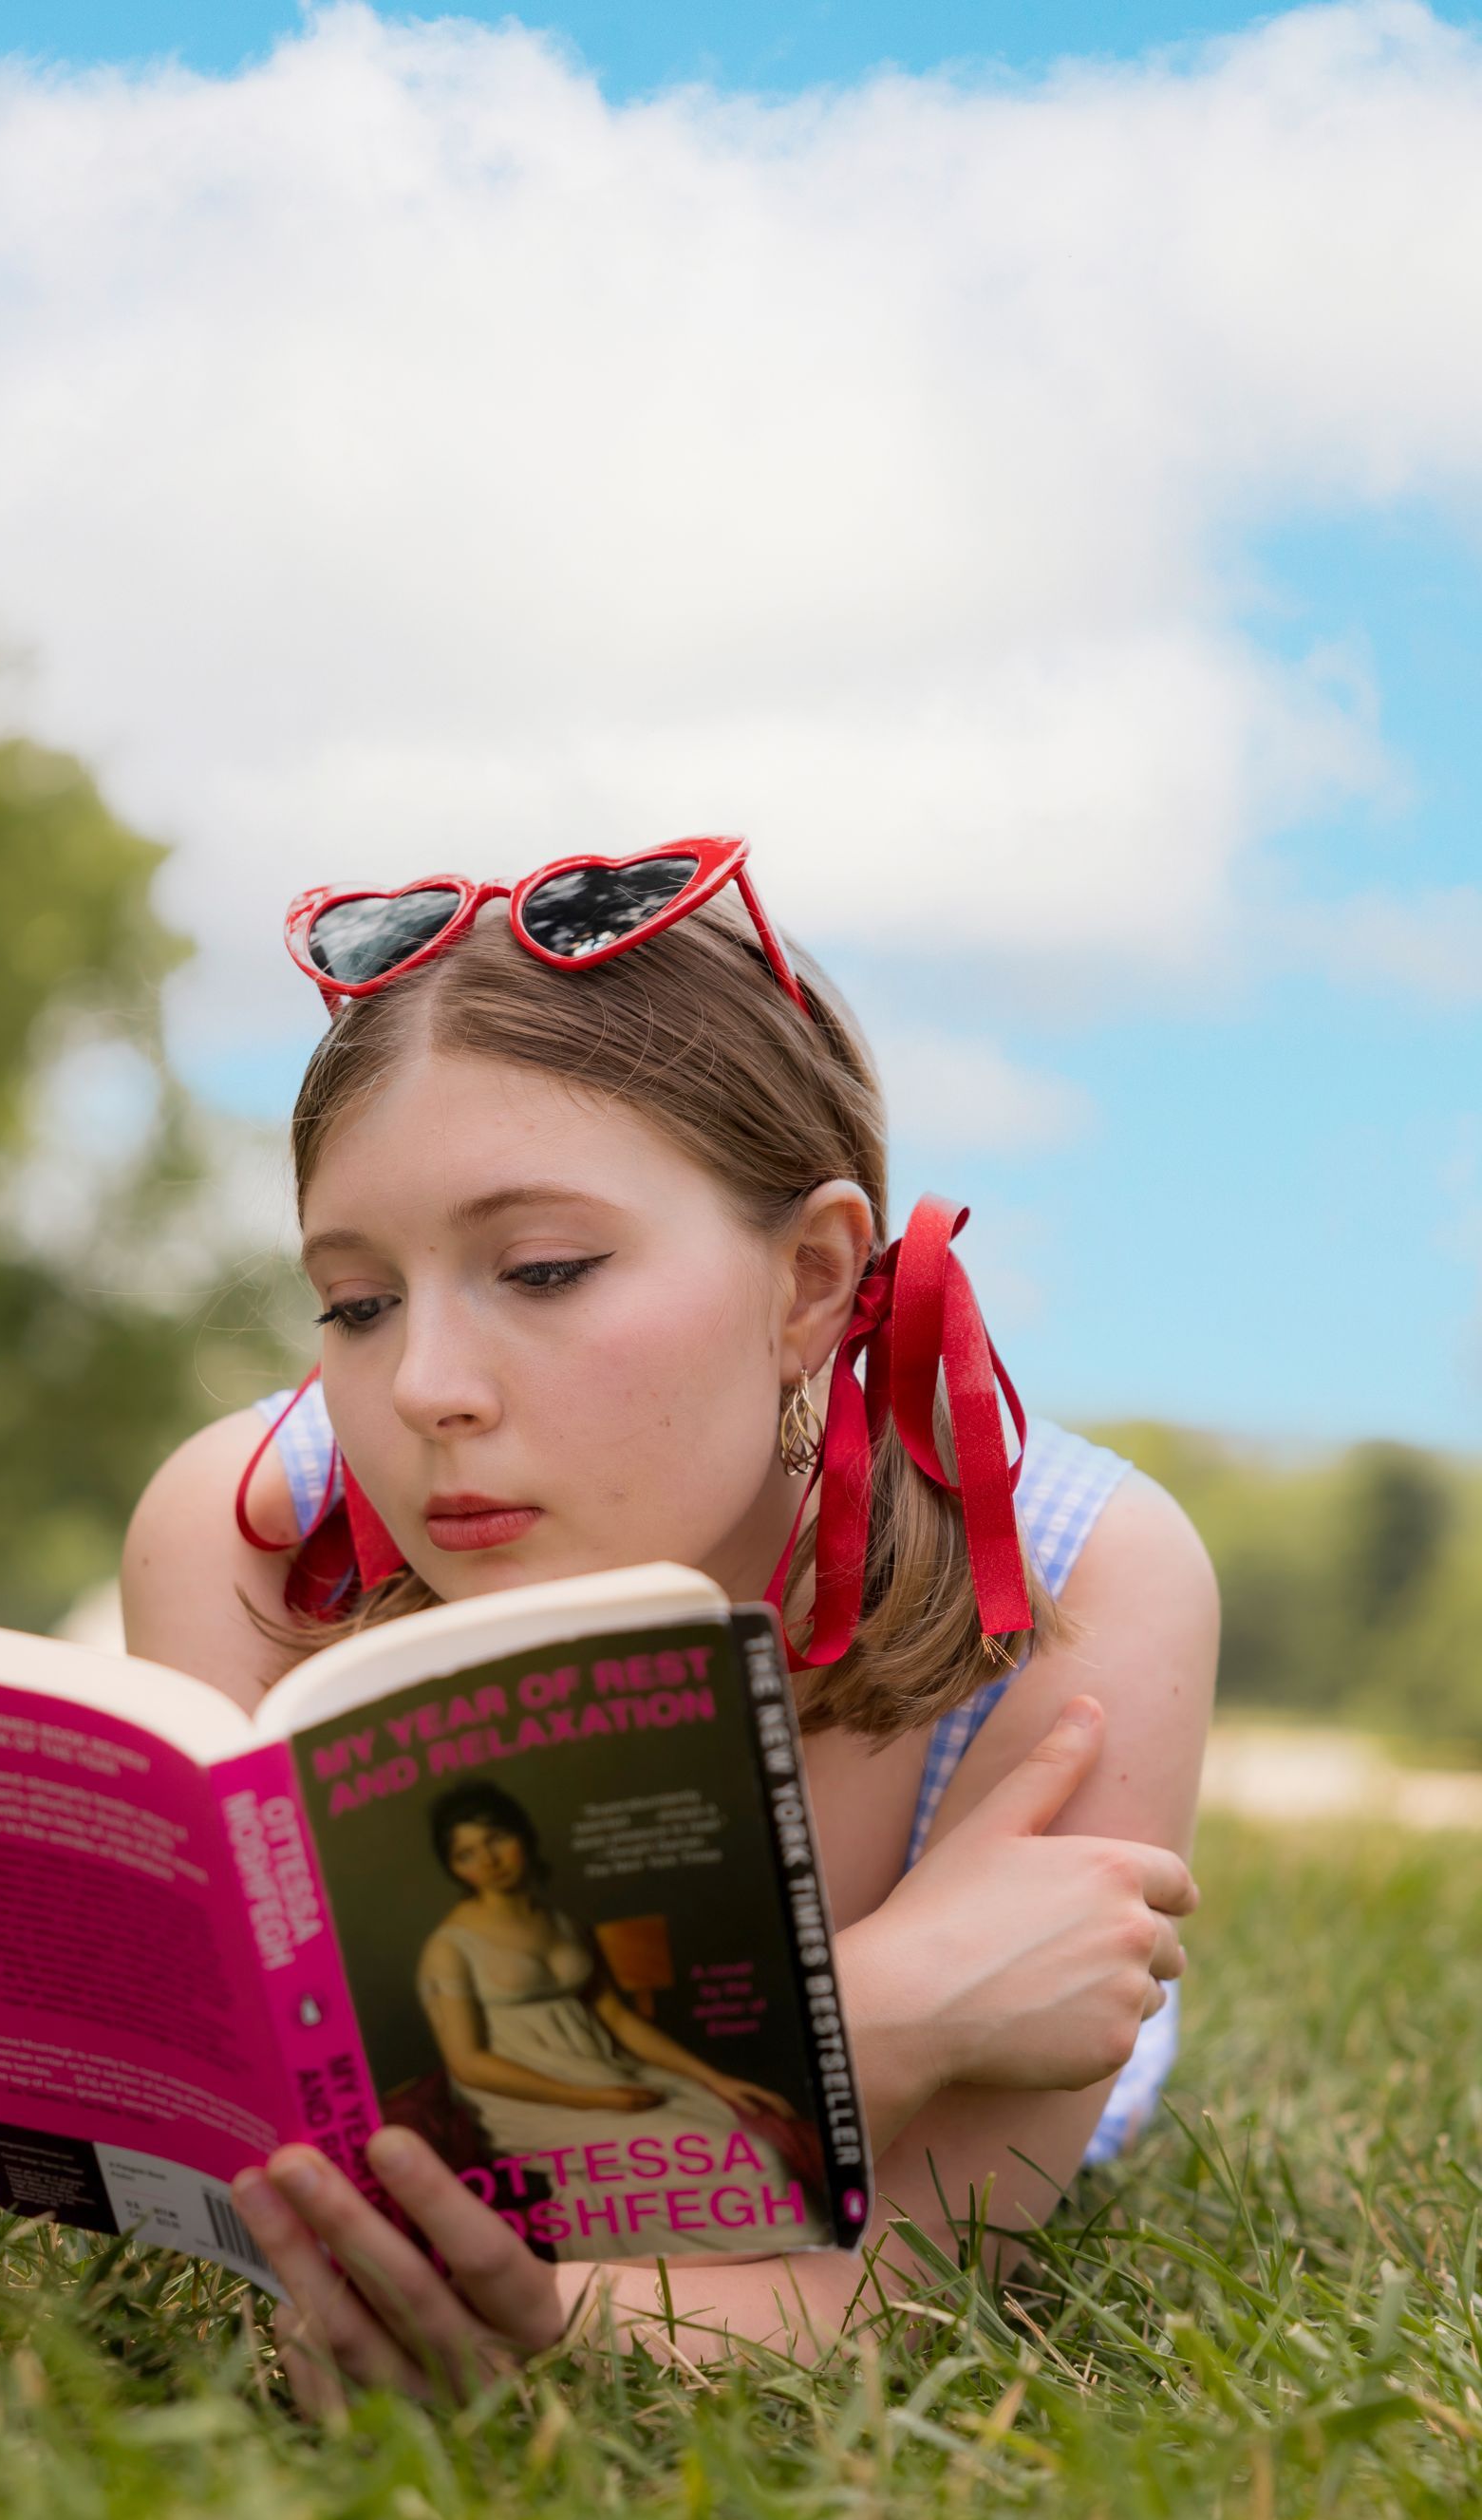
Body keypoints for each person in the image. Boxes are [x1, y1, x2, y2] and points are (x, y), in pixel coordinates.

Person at [122, 839, 1216, 2413]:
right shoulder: (252, 1532)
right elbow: (295, 2176)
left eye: (544, 1269)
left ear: (812, 1282)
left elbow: (905, 2275)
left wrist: (554, 2329)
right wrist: (882, 2011)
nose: (426, 1385)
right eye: (357, 1303)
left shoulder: (1072, 1576)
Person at [415, 1781, 823, 2257]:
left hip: (606, 2070)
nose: (487, 1860)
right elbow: (468, 2064)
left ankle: (775, 2279)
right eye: (466, 1854)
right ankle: (781, 2278)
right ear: (453, 1867)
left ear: (522, 1836)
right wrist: (593, 2099)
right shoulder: (449, 1947)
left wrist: (716, 2078)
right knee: (748, 2160)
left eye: (496, 1840)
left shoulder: (564, 1923)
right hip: (525, 2099)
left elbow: (618, 2019)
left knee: (738, 2125)